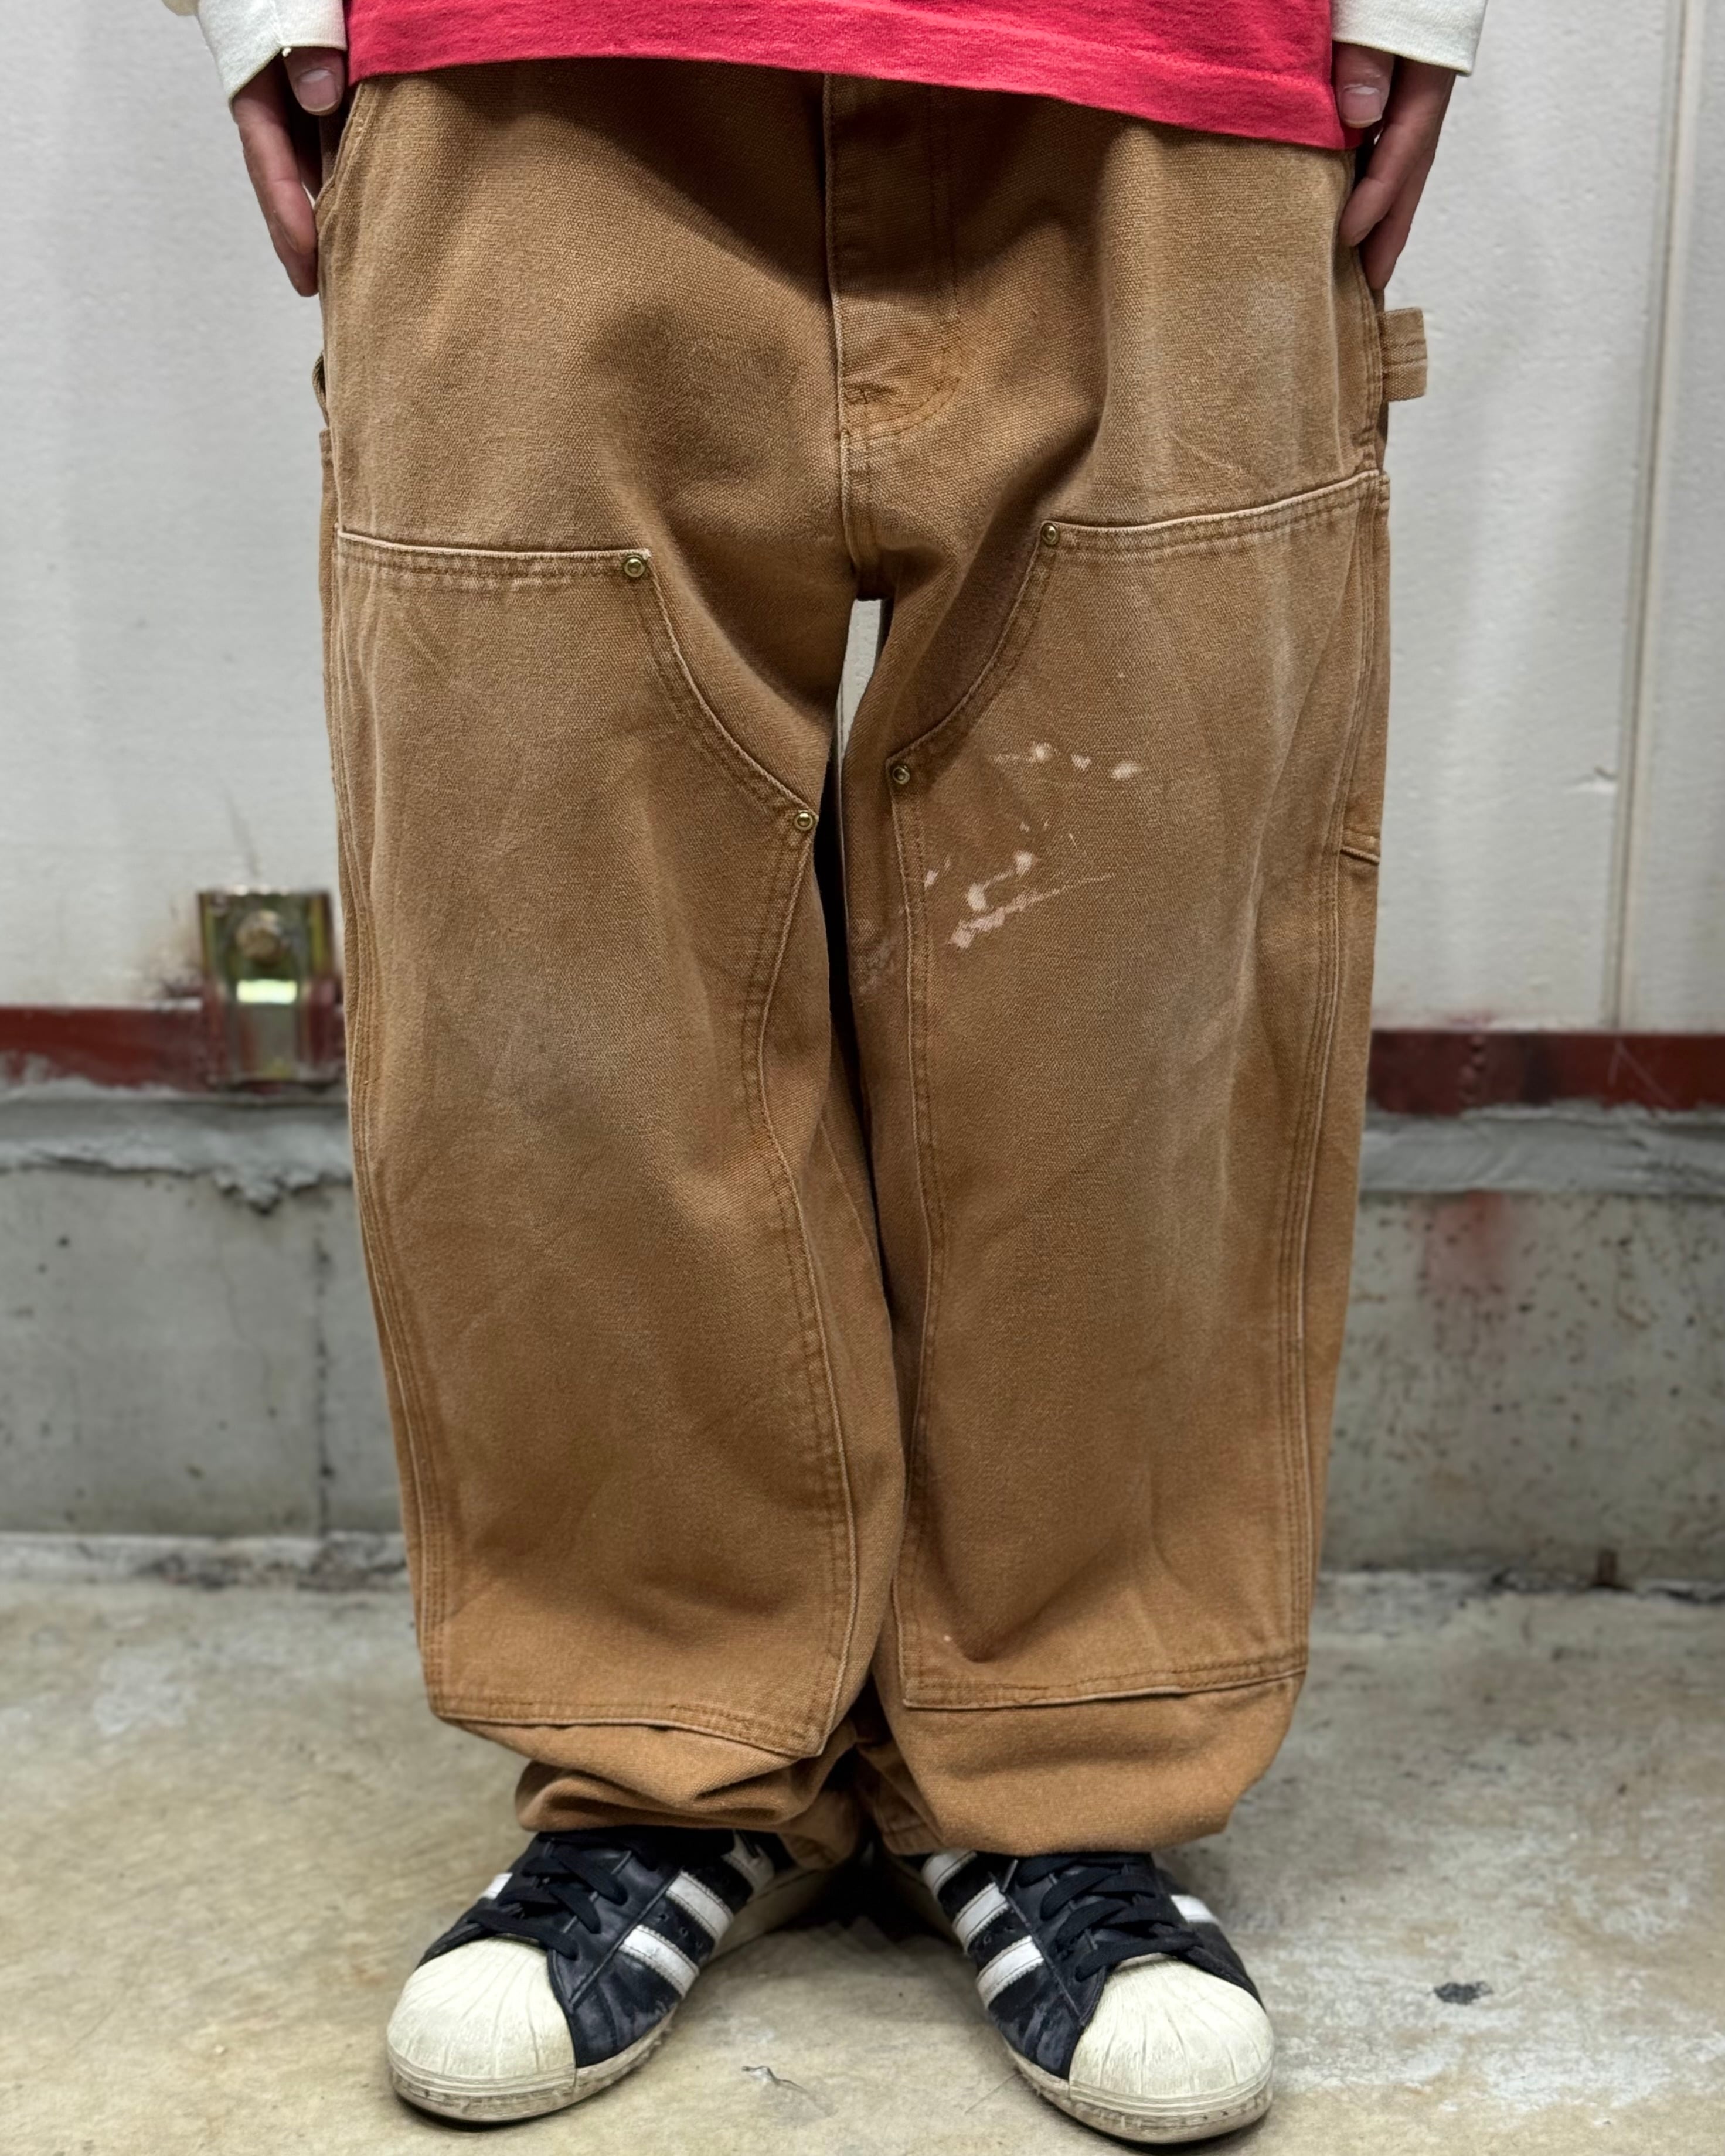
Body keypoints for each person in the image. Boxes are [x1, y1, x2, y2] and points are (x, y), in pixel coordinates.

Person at [164, 0, 1485, 2140]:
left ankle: (1063, 1759)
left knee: (1130, 964)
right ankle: (661, 1751)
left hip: (1169, 64)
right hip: (528, 72)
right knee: (558, 971)